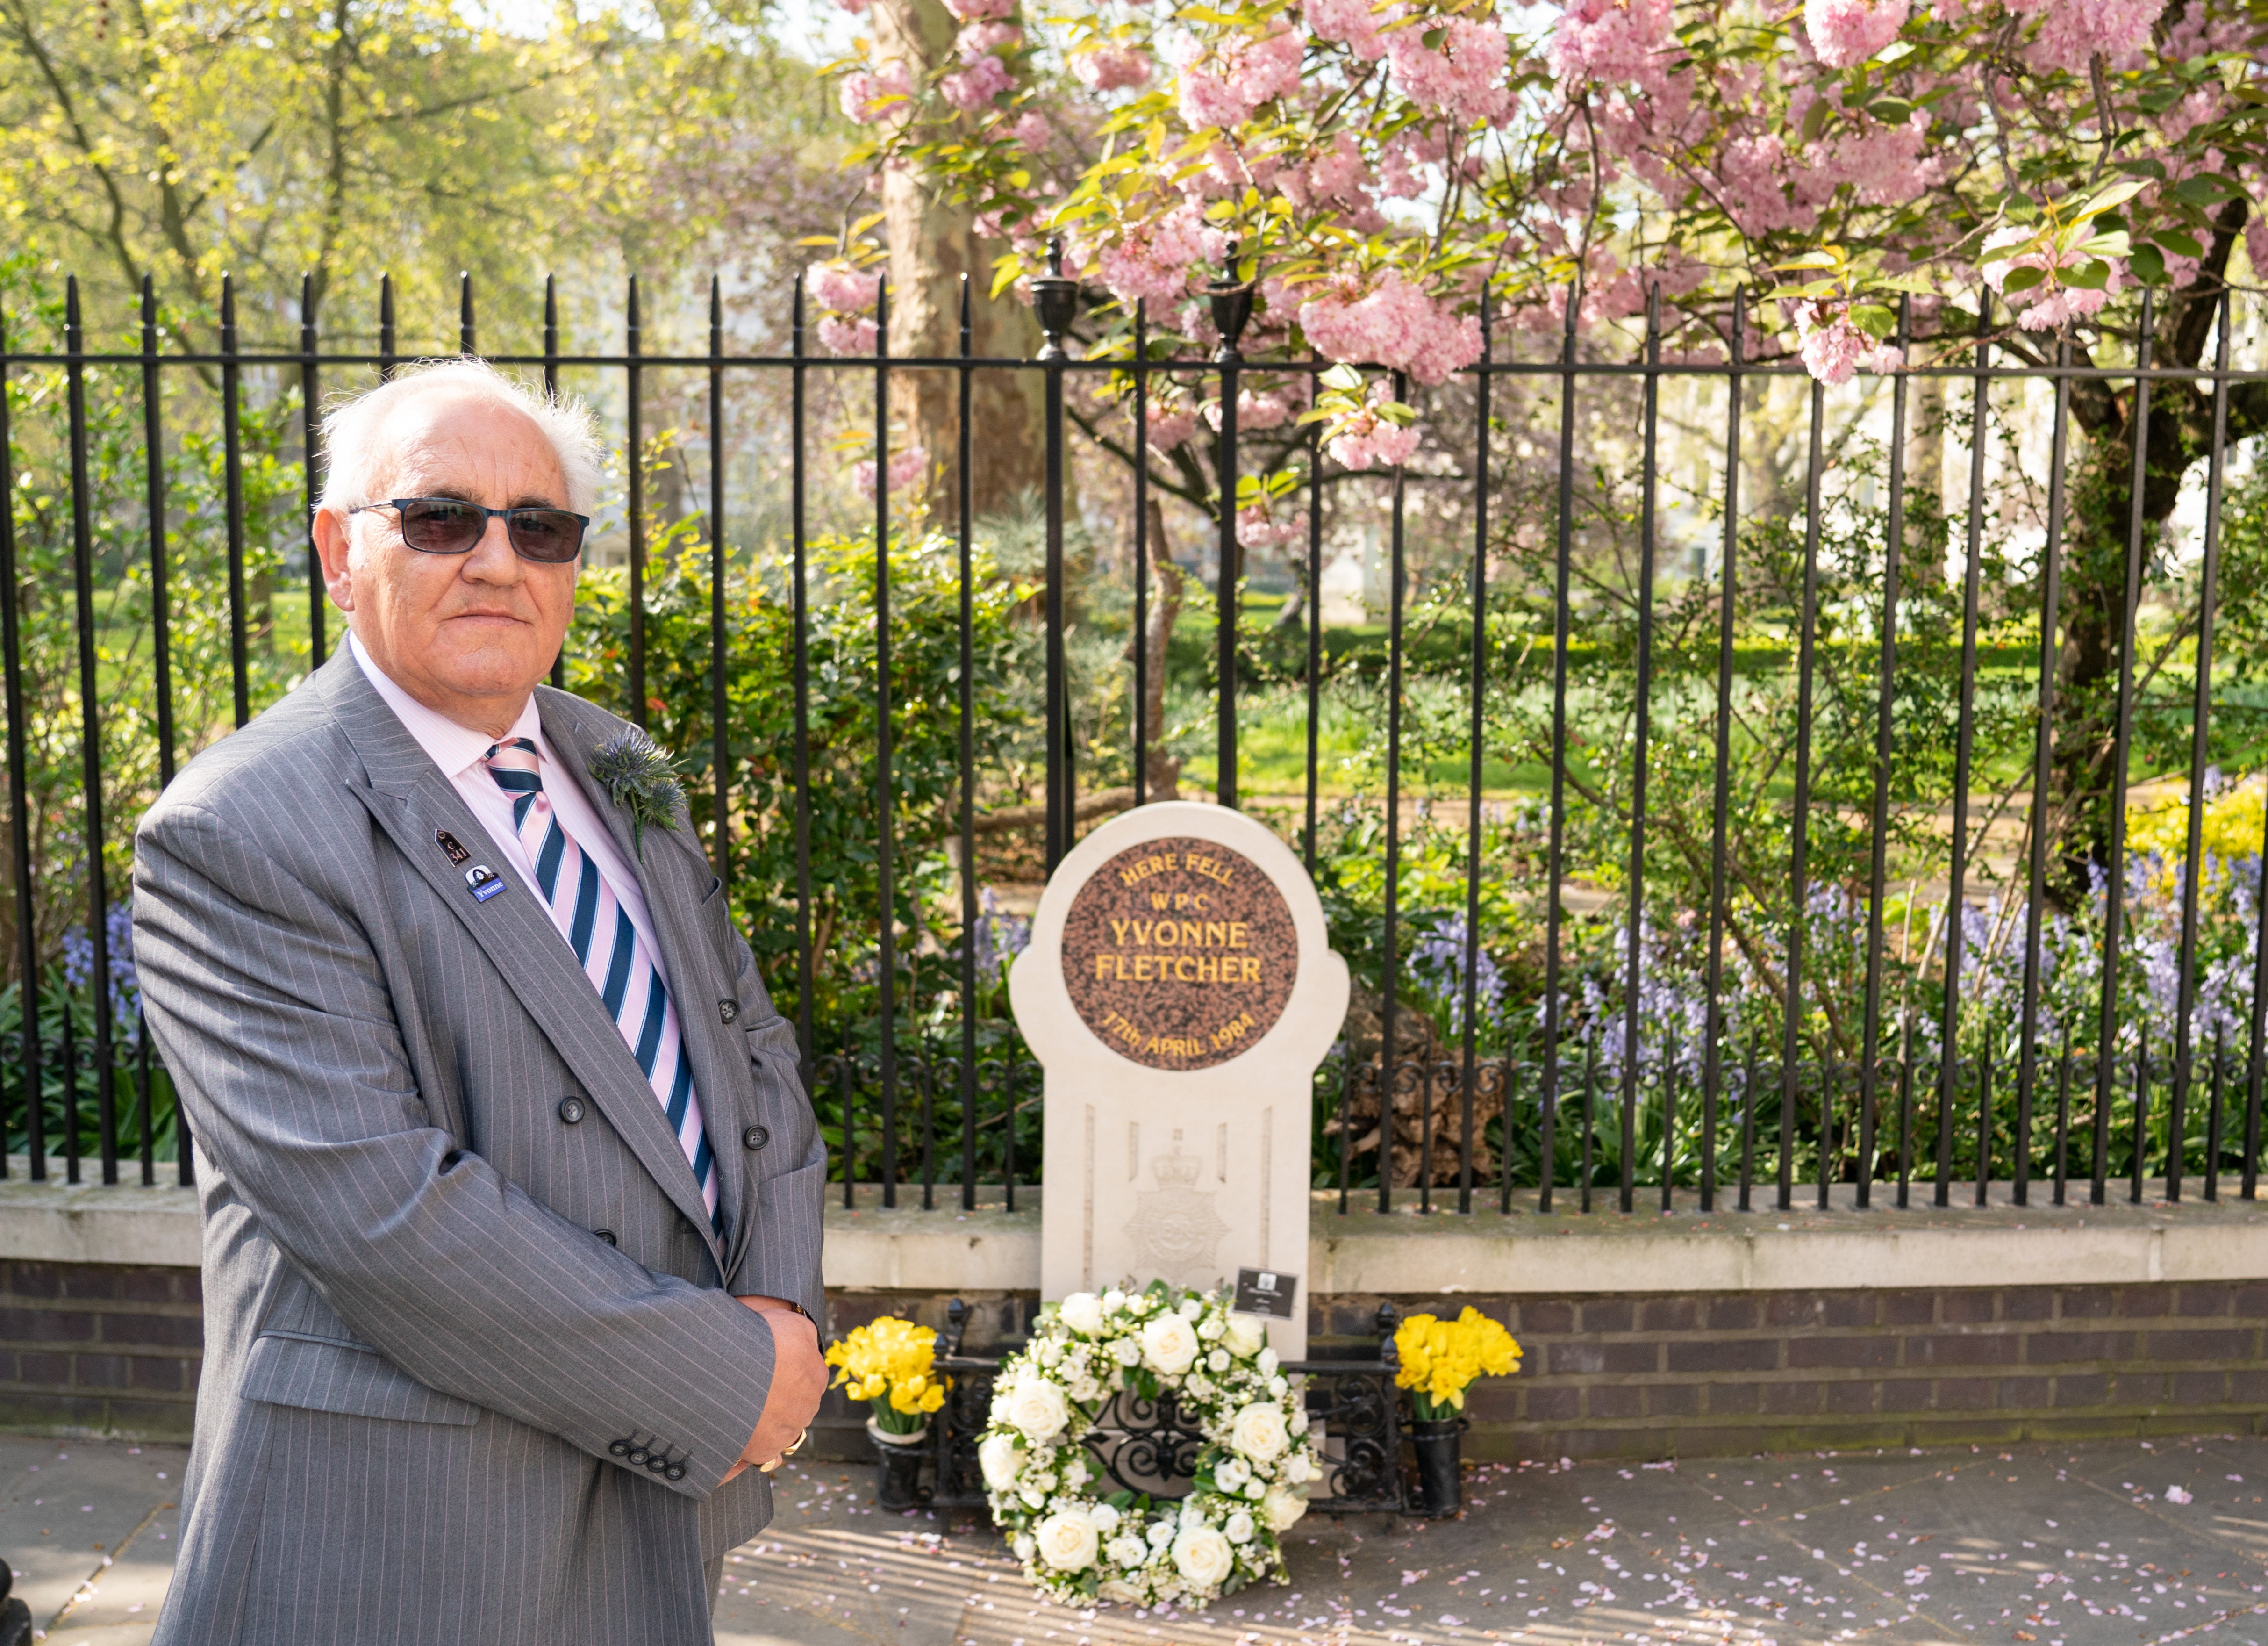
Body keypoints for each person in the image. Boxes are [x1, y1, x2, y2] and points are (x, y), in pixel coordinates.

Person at [132, 359, 829, 1645]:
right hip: (411, 1527)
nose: (499, 561)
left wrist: (784, 1314)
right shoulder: (238, 827)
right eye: (443, 518)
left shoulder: (617, 758)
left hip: (656, 1498)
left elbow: (748, 1054)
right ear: (342, 552)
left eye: (541, 528)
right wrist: (724, 1375)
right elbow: (384, 1213)